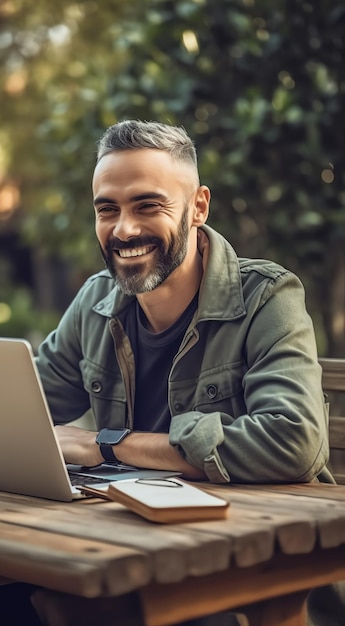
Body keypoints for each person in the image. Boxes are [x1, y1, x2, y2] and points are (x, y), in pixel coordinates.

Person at [27, 119, 334, 626]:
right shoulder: (95, 302)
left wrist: (107, 444)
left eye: (147, 205)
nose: (124, 229)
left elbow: (293, 440)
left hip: (240, 549)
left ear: (198, 206)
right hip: (126, 535)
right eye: (108, 210)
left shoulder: (267, 297)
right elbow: (19, 411)